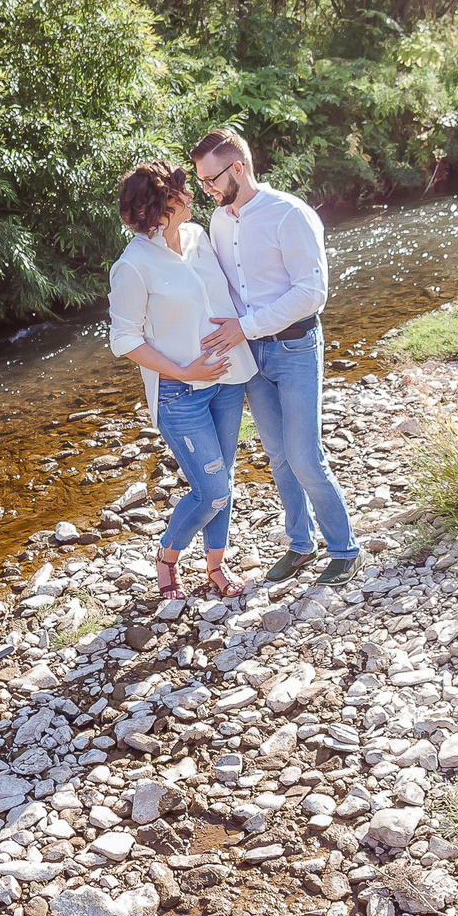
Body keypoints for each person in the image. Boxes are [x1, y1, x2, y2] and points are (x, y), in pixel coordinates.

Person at [190, 127, 362, 587]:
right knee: (279, 456)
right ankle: (301, 545)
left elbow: (312, 293)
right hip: (250, 355)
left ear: (238, 168)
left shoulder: (291, 214)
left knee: (305, 456)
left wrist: (243, 327)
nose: (205, 189)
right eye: (201, 181)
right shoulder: (218, 222)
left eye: (211, 179)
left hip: (295, 347)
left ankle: (346, 550)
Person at [107, 160, 260, 599]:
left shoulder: (198, 237)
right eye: (180, 192)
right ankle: (168, 556)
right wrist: (185, 371)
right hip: (179, 394)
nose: (191, 195)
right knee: (212, 490)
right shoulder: (132, 266)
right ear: (161, 206)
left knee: (224, 481)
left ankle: (216, 567)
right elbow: (124, 340)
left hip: (227, 380)